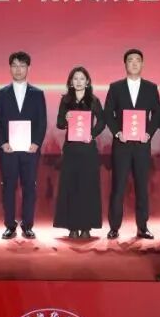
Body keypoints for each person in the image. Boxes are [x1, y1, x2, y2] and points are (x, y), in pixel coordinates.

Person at [103, 48, 160, 240]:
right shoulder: (115, 87)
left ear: (142, 64)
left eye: (138, 60)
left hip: (142, 145)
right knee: (118, 186)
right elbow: (108, 113)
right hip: (122, 144)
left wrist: (149, 133)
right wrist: (117, 132)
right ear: (125, 64)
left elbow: (158, 114)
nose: (134, 63)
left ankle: (142, 227)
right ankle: (114, 227)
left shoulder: (151, 88)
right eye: (130, 60)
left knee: (142, 187)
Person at [0, 51, 47, 239]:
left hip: (30, 150)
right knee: (8, 187)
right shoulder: (1, 94)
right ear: (10, 68)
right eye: (14, 65)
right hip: (8, 150)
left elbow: (42, 122)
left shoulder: (37, 94)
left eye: (22, 66)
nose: (18, 69)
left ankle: (27, 225)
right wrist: (3, 143)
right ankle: (10, 225)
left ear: (28, 68)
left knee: (29, 187)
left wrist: (36, 143)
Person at [54, 66, 106, 238]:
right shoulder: (65, 100)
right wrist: (65, 118)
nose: (78, 82)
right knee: (71, 186)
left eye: (82, 78)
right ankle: (72, 227)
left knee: (87, 187)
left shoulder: (93, 100)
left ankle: (86, 227)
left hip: (88, 149)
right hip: (71, 149)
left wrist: (92, 134)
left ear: (87, 81)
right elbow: (59, 123)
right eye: (75, 78)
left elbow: (102, 121)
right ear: (70, 82)